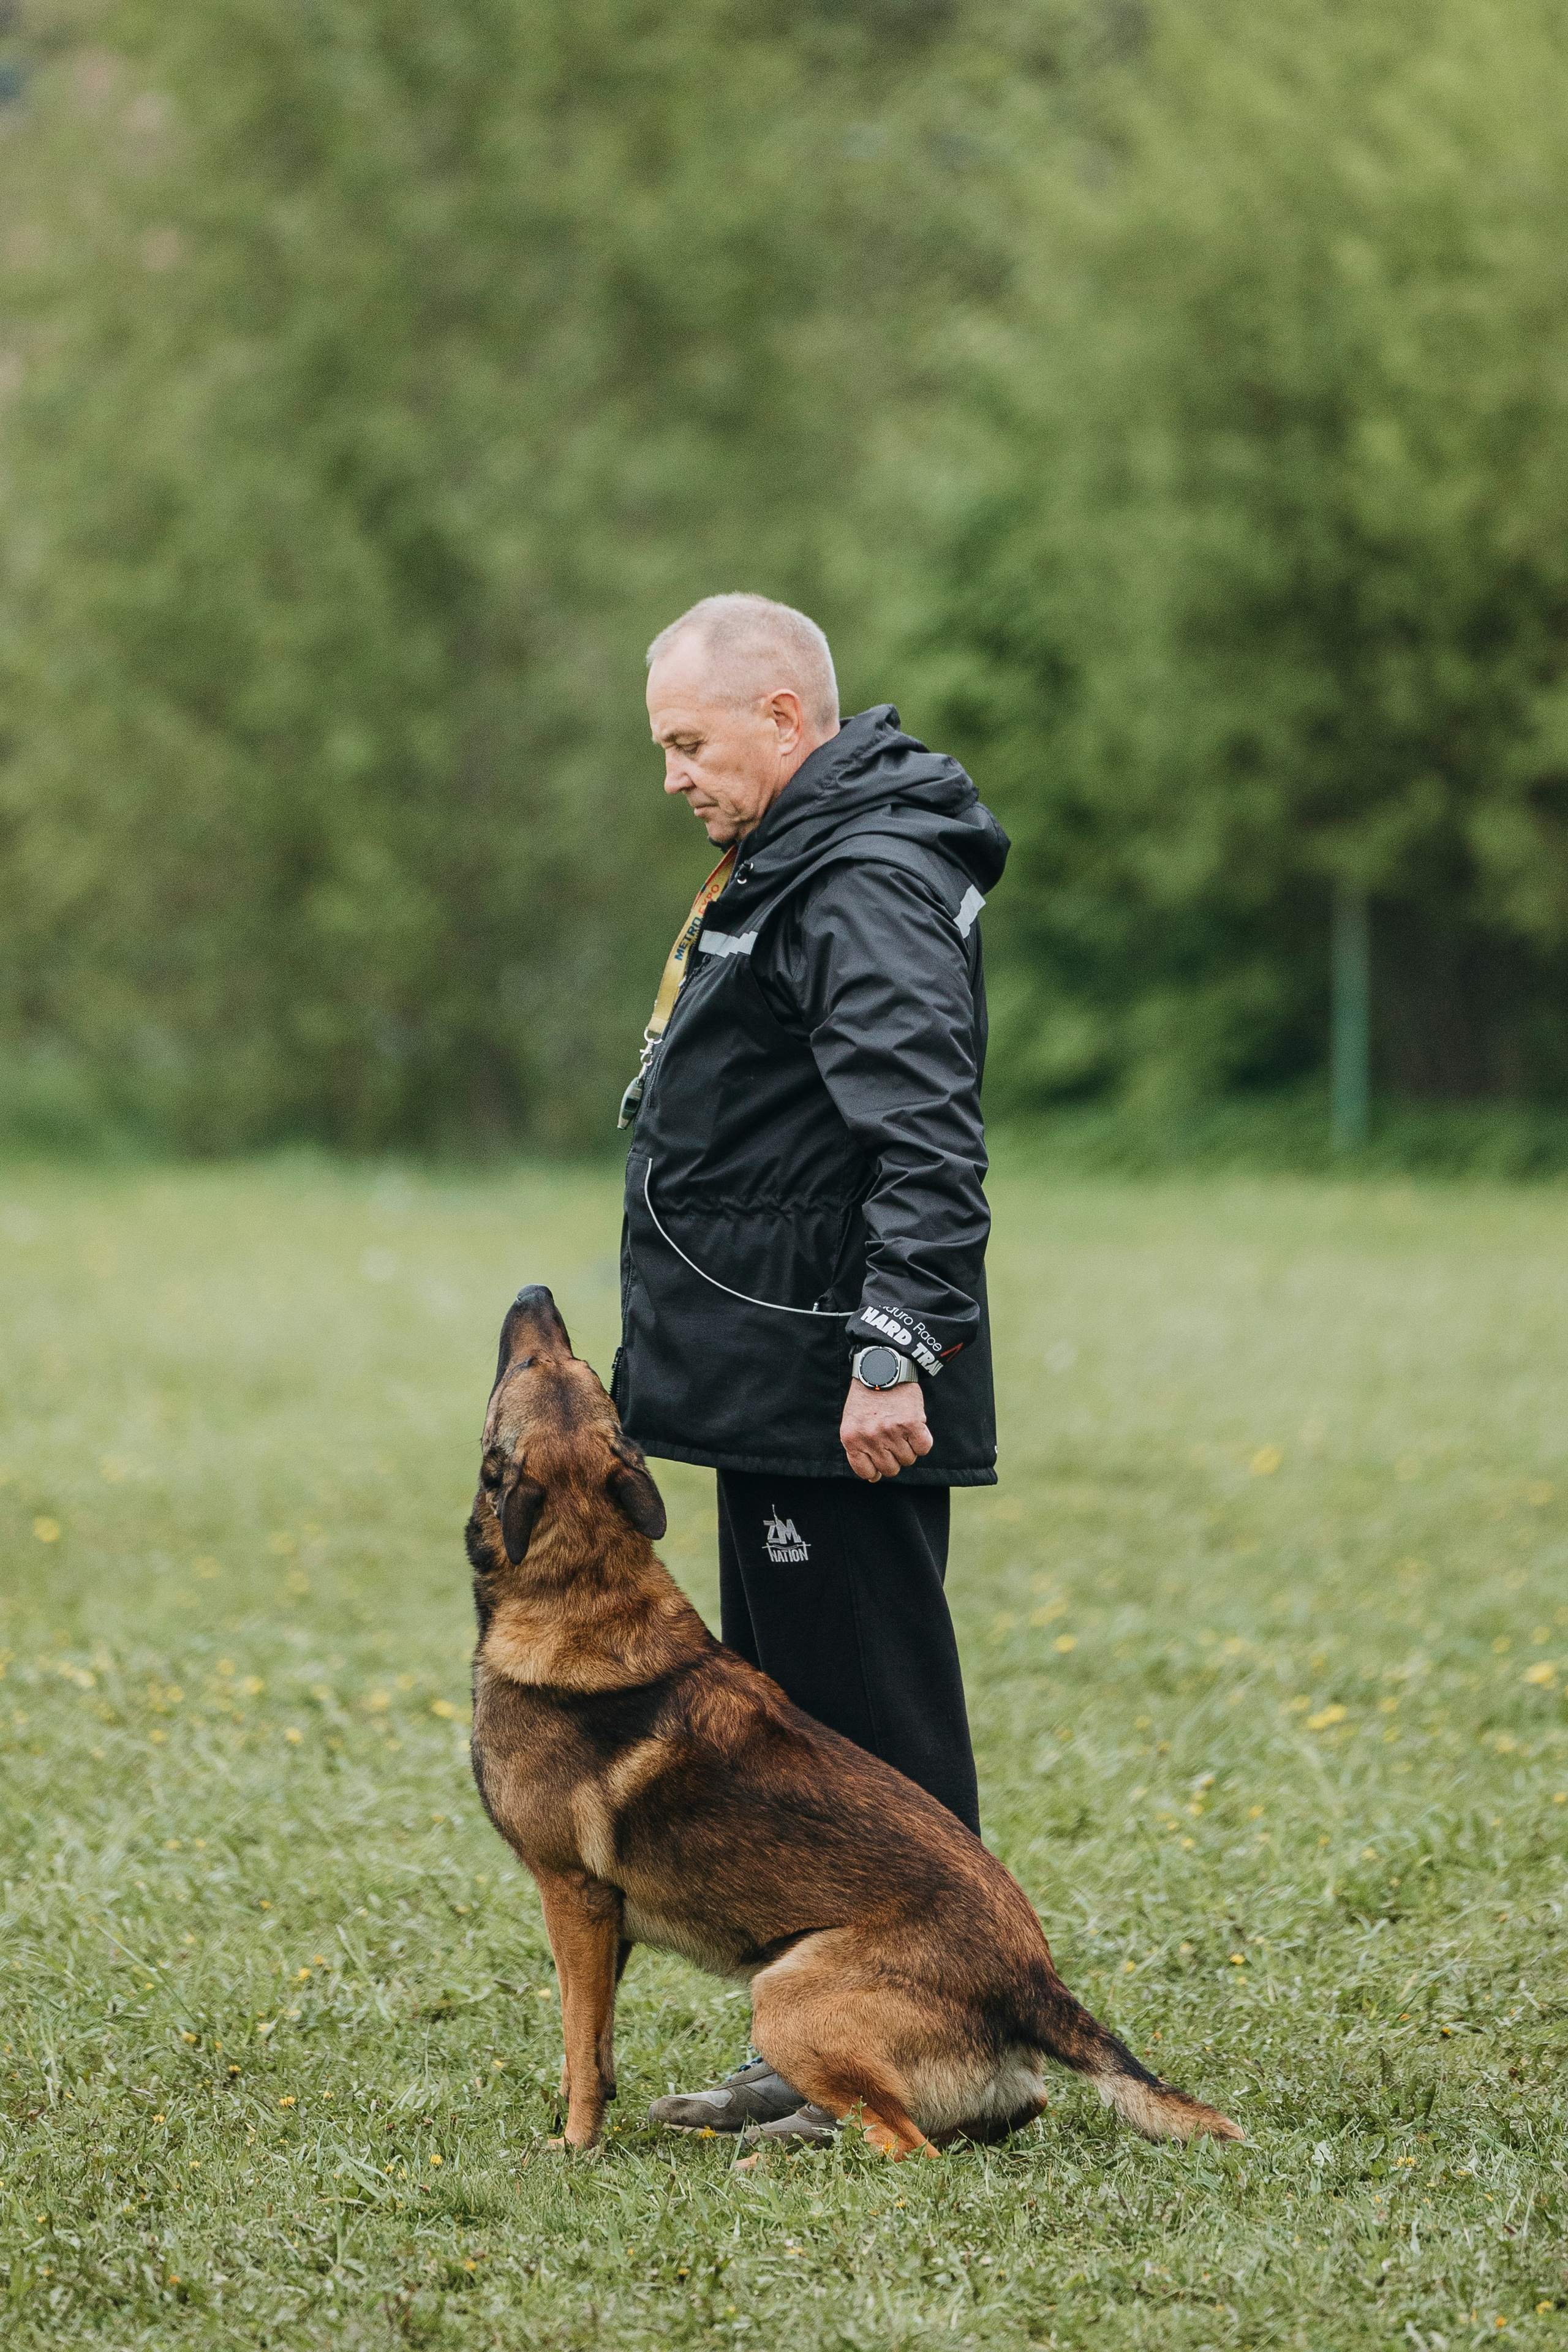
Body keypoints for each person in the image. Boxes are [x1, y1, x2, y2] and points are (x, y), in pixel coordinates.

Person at [611, 592, 1008, 2144]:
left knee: (872, 1746)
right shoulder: (792, 864)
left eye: (687, 742)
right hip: (774, 1389)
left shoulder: (859, 880)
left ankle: (952, 2057)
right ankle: (826, 2042)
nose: (672, 778)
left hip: (844, 1392)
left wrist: (894, 1348)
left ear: (783, 718)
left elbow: (922, 1135)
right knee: (793, 1752)